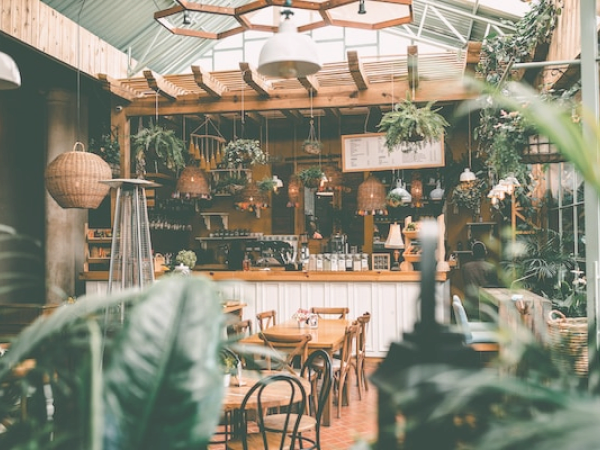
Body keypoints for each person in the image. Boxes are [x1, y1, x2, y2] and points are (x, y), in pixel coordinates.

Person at [461, 241, 499, 307]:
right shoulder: (491, 267)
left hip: (470, 304)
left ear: (472, 253)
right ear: (485, 252)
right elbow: (494, 288)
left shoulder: (465, 268)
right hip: (486, 304)